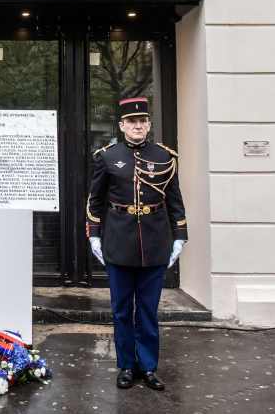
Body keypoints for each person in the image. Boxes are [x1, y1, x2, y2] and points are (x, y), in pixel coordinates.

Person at [86, 97, 188, 391]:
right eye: (132, 122)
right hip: (118, 242)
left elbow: (175, 200)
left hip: (155, 243)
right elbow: (95, 199)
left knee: (147, 310)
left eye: (142, 121)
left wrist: (180, 236)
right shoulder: (107, 156)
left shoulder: (164, 157)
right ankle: (127, 366)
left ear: (149, 125)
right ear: (122, 126)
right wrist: (94, 234)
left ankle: (149, 366)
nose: (138, 126)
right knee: (120, 311)